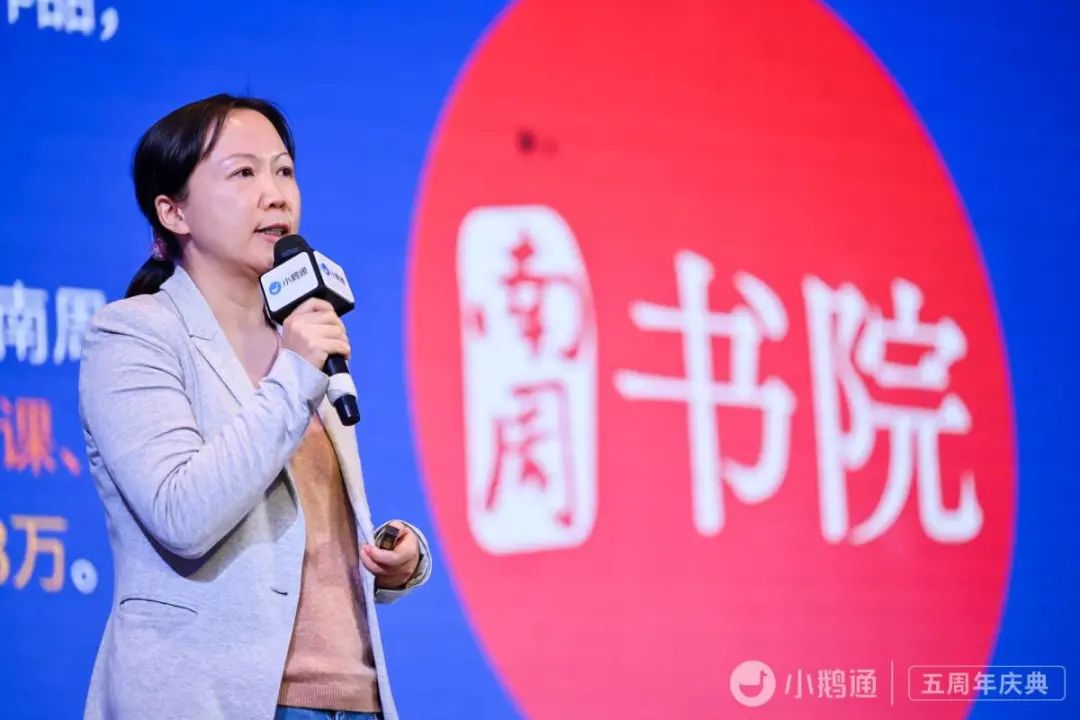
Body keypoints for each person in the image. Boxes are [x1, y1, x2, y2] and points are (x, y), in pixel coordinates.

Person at [78, 94, 431, 720]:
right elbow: (183, 516)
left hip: (356, 701)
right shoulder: (135, 334)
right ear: (173, 211)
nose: (275, 194)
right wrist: (295, 372)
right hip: (215, 698)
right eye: (243, 172)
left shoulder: (300, 336)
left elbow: (297, 537)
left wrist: (394, 560)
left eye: (284, 171)